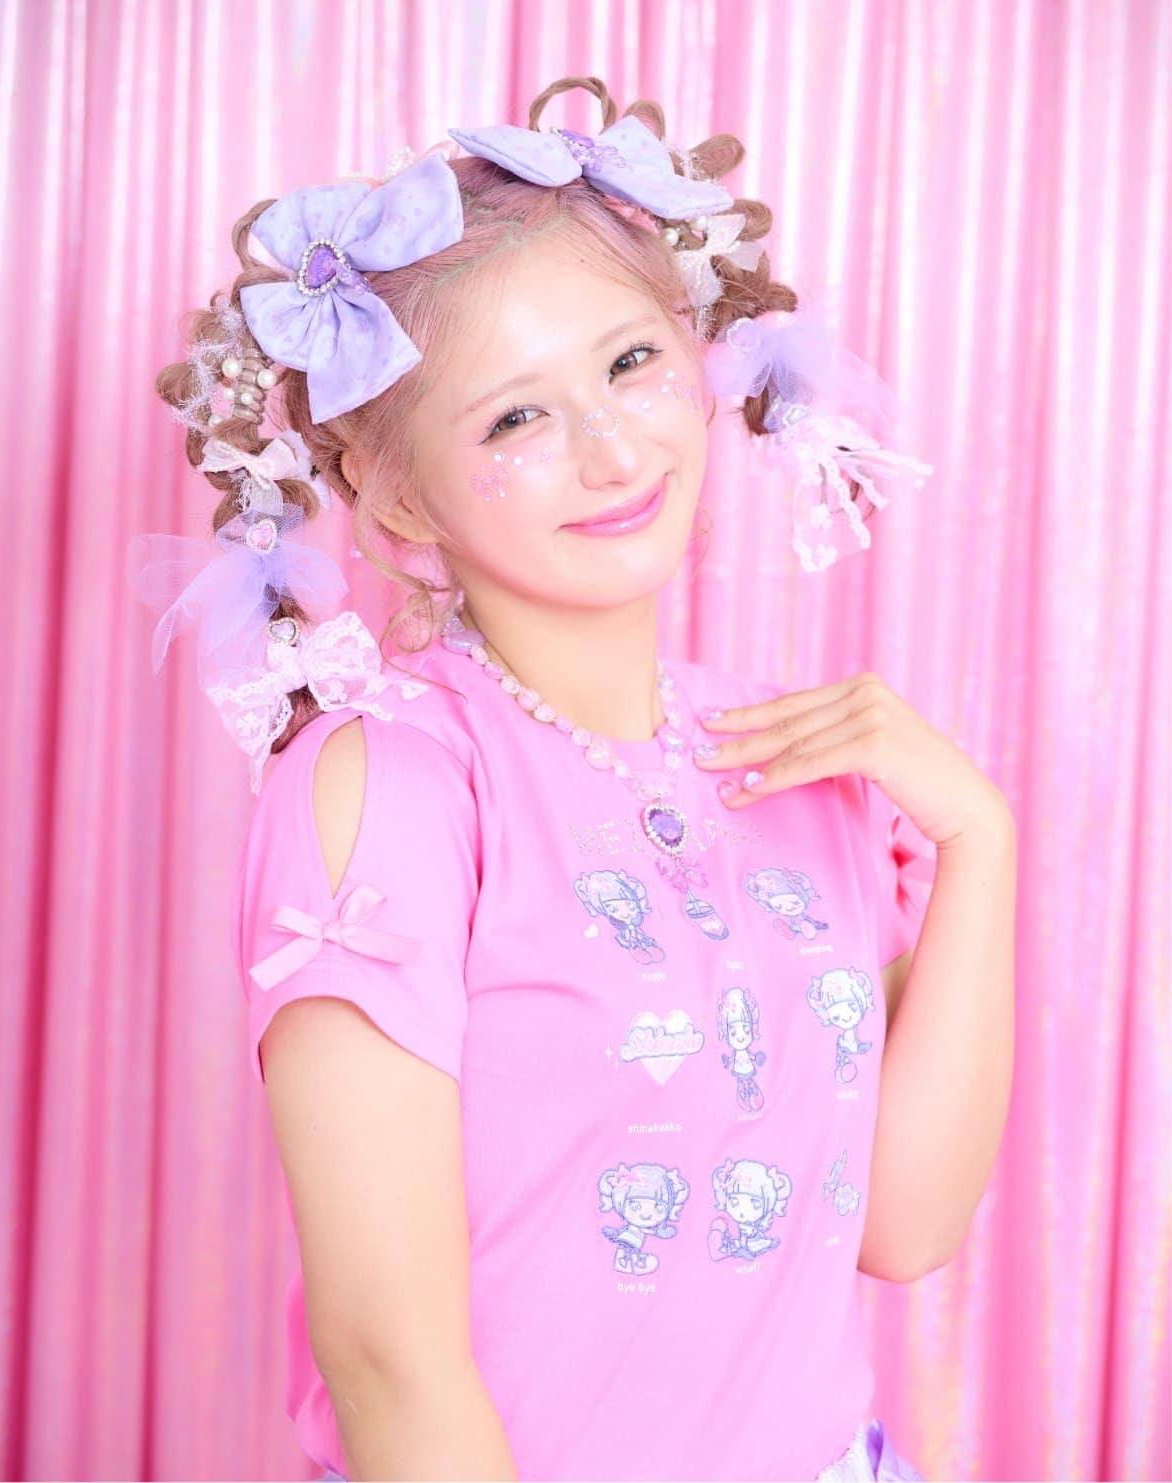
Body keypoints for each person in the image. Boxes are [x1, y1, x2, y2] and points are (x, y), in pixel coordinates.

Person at [134, 73, 998, 1483]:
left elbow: (906, 1225)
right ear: (398, 495)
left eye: (631, 363)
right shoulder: (388, 781)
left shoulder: (795, 760)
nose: (612, 451)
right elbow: (390, 1357)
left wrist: (979, 843)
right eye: (513, 421)